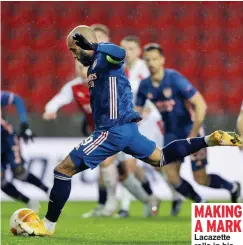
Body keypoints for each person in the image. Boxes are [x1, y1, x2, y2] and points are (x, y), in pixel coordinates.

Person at [21, 25, 242, 236]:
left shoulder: (105, 58)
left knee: (62, 170)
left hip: (112, 130)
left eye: (74, 49)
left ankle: (47, 226)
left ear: (86, 44)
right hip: (127, 130)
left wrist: (95, 46)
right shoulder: (94, 67)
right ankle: (208, 140)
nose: (73, 55)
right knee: (161, 157)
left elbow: (120, 53)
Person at [43, 24, 156, 218]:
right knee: (116, 169)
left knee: (126, 169)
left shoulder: (110, 67)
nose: (79, 64)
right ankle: (133, 201)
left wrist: (146, 107)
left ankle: (124, 204)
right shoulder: (78, 84)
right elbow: (58, 99)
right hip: (105, 130)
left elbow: (135, 88)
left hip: (124, 125)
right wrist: (50, 109)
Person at [135, 43, 241, 204]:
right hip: (171, 133)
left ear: (162, 60)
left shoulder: (174, 78)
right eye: (147, 59)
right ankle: (200, 201)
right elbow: (137, 112)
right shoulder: (145, 86)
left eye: (155, 59)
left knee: (200, 178)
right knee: (171, 176)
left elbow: (200, 104)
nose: (151, 63)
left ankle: (233, 187)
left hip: (190, 130)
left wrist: (193, 133)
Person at [117, 36, 182, 218]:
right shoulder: (118, 70)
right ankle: (128, 205)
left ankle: (176, 194)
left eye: (130, 48)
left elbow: (158, 92)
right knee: (128, 166)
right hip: (130, 123)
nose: (126, 52)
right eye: (123, 48)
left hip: (150, 123)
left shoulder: (146, 68)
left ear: (138, 51)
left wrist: (148, 110)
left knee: (157, 164)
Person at [1, 91, 50, 212]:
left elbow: (17, 99)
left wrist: (24, 124)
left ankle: (48, 191)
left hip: (5, 138)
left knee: (19, 172)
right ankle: (28, 201)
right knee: (1, 181)